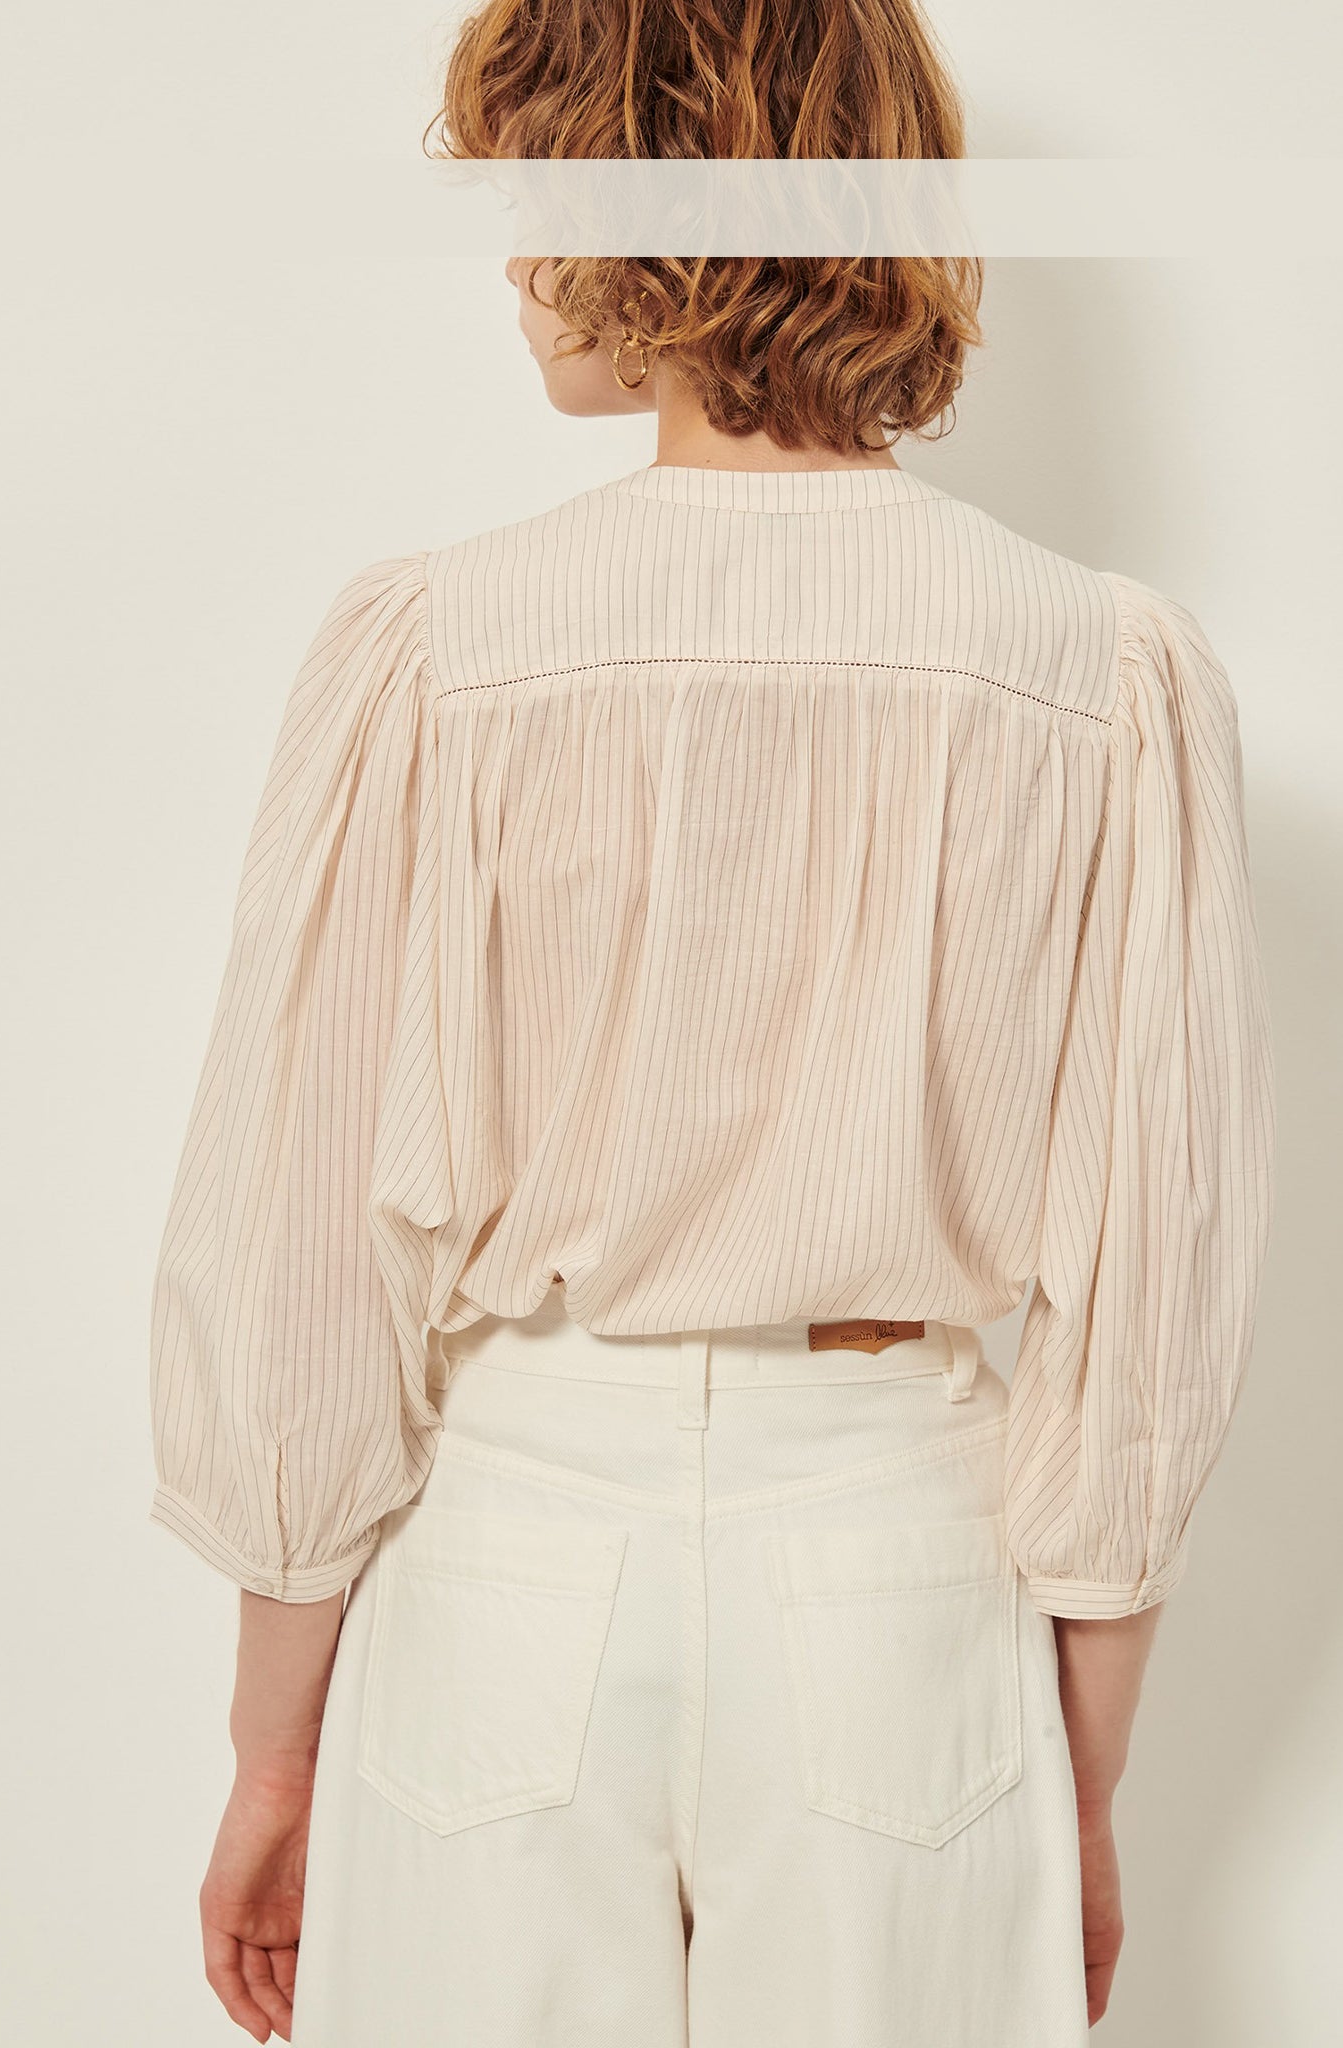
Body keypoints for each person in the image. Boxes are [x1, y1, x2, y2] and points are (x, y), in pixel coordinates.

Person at [147, 3, 1277, 2043]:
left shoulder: (438, 650)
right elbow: (1152, 1311)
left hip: (510, 1553)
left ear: (666, 206)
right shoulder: (1099, 675)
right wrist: (1081, 1785)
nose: (509, 258)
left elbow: (301, 1256)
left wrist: (272, 1754)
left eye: (543, 188)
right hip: (900, 1570)